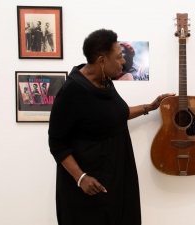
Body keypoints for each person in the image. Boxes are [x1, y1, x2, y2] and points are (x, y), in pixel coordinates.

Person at [48, 29, 174, 225]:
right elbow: (56, 142)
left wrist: (150, 106)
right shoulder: (71, 92)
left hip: (117, 172)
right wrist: (81, 178)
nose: (123, 62)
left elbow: (117, 114)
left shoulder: (104, 81)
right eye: (119, 57)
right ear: (101, 60)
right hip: (91, 183)